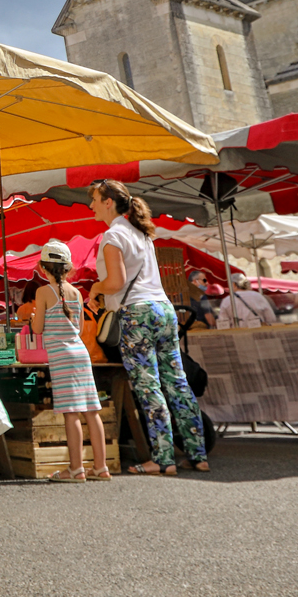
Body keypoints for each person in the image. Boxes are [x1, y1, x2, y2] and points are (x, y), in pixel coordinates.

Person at [91, 178, 209, 476]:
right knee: (177, 383)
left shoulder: (112, 236)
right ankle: (198, 454)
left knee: (148, 387)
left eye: (94, 199)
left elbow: (115, 282)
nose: (90, 205)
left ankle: (163, 458)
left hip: (137, 315)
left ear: (108, 202)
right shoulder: (142, 234)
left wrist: (95, 288)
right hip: (163, 309)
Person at [28, 239, 109, 482]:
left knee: (71, 413)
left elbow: (39, 328)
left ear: (43, 268)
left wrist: (33, 318)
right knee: (92, 411)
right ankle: (101, 467)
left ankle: (76, 469)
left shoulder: (43, 292)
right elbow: (80, 327)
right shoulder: (77, 293)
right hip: (80, 354)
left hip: (61, 358)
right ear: (67, 268)